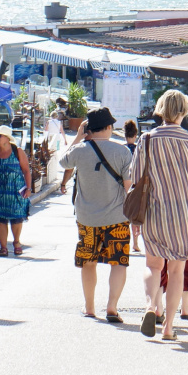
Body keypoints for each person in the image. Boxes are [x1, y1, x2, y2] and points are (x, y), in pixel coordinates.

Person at [129, 89, 188, 341]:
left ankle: (151, 307)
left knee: (153, 265)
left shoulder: (147, 139)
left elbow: (136, 178)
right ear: (183, 111)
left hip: (153, 211)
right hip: (183, 214)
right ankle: (169, 328)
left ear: (161, 109)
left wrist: (135, 221)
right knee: (176, 271)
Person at [59, 108, 132, 323]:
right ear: (109, 127)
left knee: (88, 262)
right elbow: (129, 186)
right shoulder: (122, 152)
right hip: (117, 217)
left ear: (89, 128)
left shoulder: (80, 150)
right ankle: (111, 306)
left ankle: (89, 308)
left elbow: (63, 162)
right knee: (118, 262)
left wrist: (79, 137)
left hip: (87, 218)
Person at [0, 125, 33, 256]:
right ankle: (3, 247)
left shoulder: (17, 151)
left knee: (17, 218)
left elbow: (26, 171)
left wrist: (28, 188)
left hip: (15, 191)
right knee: (0, 218)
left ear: (7, 138)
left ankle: (16, 242)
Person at [123, 119, 143, 253]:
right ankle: (135, 243)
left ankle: (125, 241)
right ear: (135, 135)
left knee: (124, 214)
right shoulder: (138, 149)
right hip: (136, 184)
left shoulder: (121, 149)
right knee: (135, 214)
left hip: (122, 184)